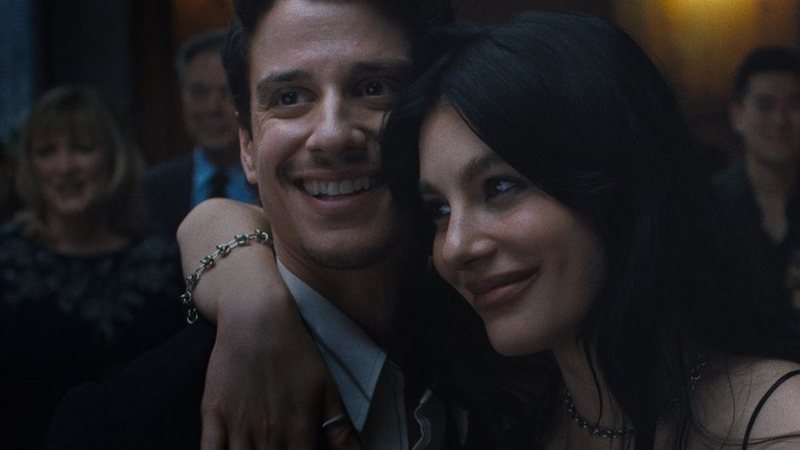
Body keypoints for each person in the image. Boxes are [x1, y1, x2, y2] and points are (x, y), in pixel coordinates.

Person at [170, 13, 800, 450]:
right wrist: (252, 298)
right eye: (438, 210)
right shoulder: (501, 406)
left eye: (499, 187)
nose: (458, 247)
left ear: (611, 177)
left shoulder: (776, 423)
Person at [47, 1, 466, 449]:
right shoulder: (123, 426)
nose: (332, 135)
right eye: (289, 98)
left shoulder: (500, 344)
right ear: (246, 144)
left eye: (374, 88)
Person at [0, 86, 185, 450]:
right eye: (47, 152)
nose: (65, 167)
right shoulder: (6, 261)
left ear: (114, 158)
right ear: (29, 166)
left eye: (82, 148)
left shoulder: (164, 262)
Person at [143, 30, 258, 236]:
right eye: (199, 92)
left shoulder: (275, 182)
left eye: (228, 92)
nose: (213, 107)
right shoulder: (152, 190)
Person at [713, 46, 800, 314]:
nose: (780, 120)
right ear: (737, 115)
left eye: (794, 105)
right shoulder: (709, 205)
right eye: (765, 105)